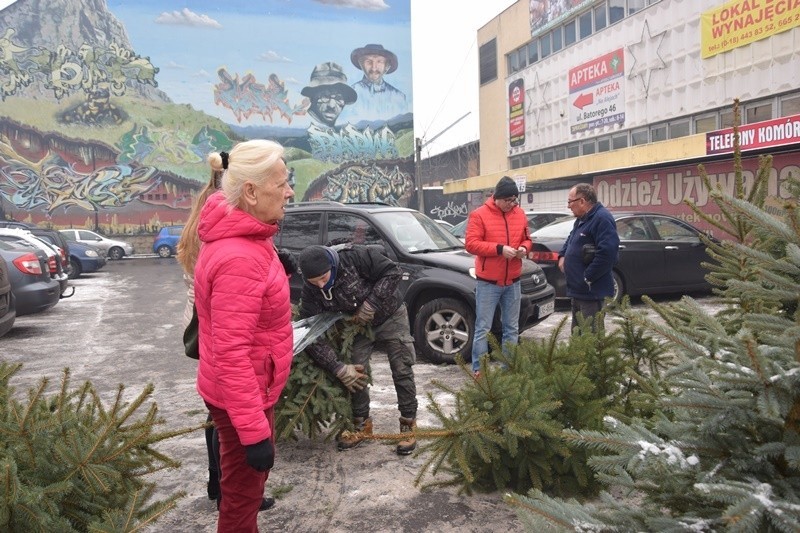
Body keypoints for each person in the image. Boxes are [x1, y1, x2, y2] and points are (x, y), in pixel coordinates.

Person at [177, 163, 295, 513]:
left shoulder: (245, 238)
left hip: (247, 385)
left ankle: (222, 482)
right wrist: (255, 434)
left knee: (241, 492)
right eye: (282, 184)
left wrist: (275, 273)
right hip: (245, 392)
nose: (289, 192)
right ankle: (221, 483)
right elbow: (232, 354)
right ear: (250, 192)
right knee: (241, 506)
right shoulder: (238, 256)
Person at [297, 243, 418, 455]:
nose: (320, 285)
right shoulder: (311, 292)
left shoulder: (355, 257)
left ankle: (408, 424)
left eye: (324, 279)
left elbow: (392, 272)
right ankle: (361, 424)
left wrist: (372, 304)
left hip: (391, 315)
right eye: (313, 282)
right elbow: (310, 333)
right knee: (356, 369)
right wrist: (337, 367)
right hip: (357, 326)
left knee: (401, 367)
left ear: (331, 267)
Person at [465, 176, 531, 376]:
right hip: (488, 283)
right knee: (483, 328)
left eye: (515, 200)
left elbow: (528, 239)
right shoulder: (479, 215)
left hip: (513, 281)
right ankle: (480, 371)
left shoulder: (519, 214)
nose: (512, 204)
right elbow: (471, 244)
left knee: (512, 328)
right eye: (508, 200)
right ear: (497, 198)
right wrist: (499, 249)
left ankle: (508, 370)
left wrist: (523, 248)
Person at [558, 183, 620, 333]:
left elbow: (608, 253)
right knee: (578, 336)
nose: (568, 206)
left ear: (582, 201)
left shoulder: (602, 218)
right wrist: (562, 256)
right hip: (578, 291)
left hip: (592, 293)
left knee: (591, 337)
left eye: (570, 202)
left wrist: (587, 277)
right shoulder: (581, 219)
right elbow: (571, 239)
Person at [346, 43, 408, 121]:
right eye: (368, 61)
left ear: (387, 66)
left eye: (380, 62)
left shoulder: (399, 97)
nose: (374, 68)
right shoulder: (350, 93)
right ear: (361, 64)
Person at [300, 62, 357, 128]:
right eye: (324, 96)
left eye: (338, 98)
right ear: (312, 97)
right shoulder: (302, 127)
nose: (331, 105)